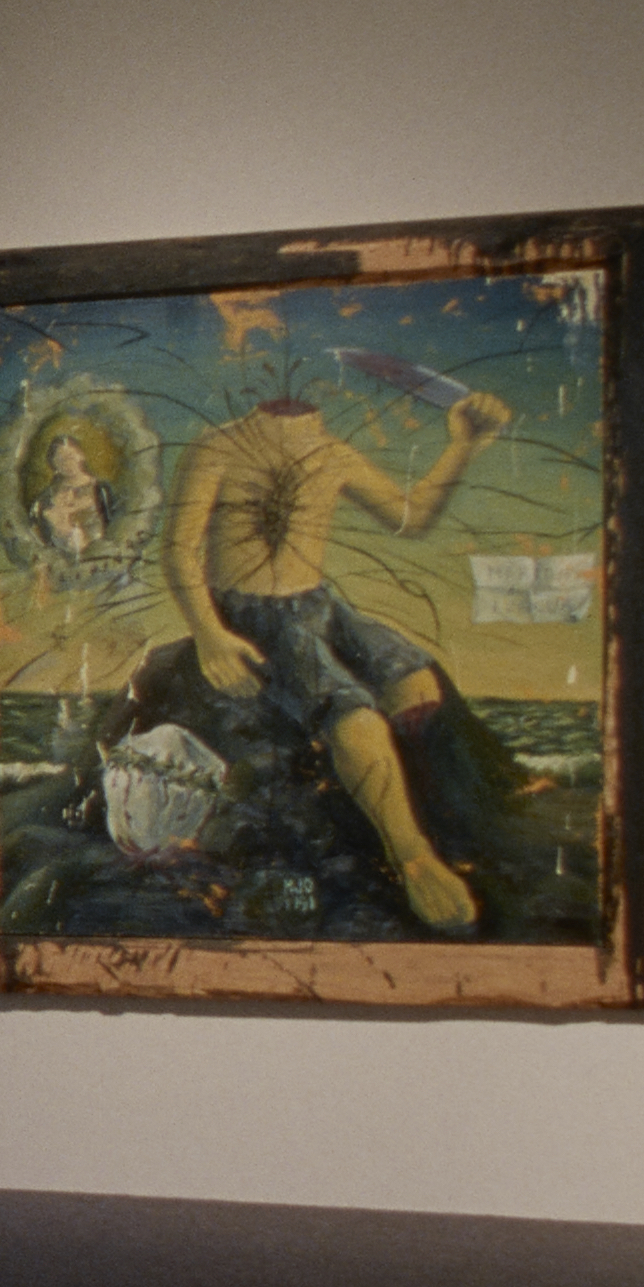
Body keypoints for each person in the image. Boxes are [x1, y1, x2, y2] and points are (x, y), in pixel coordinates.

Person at [160, 376, 509, 931]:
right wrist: (209, 634)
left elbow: (410, 517)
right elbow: (177, 549)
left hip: (320, 604)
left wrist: (462, 446)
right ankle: (411, 854)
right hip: (255, 617)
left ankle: (415, 809)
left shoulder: (333, 453)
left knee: (415, 680)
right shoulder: (217, 447)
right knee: (352, 712)